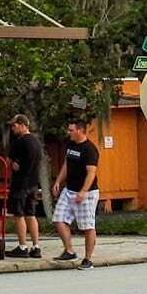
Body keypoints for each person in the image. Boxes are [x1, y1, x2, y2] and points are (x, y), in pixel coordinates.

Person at [51, 115, 100, 269]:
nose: (69, 132)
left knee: (87, 226)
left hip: (87, 193)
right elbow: (67, 164)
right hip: (69, 189)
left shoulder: (90, 149)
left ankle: (88, 259)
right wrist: (58, 181)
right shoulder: (70, 145)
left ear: (80, 130)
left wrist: (83, 192)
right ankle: (69, 250)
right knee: (58, 219)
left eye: (71, 130)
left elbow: (91, 172)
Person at [6, 114, 43, 258]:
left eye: (14, 125)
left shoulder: (19, 142)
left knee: (19, 215)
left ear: (22, 125)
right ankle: (36, 246)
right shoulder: (36, 142)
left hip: (20, 183)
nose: (12, 128)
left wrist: (14, 165)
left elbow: (10, 162)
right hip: (33, 183)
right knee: (31, 214)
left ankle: (22, 246)